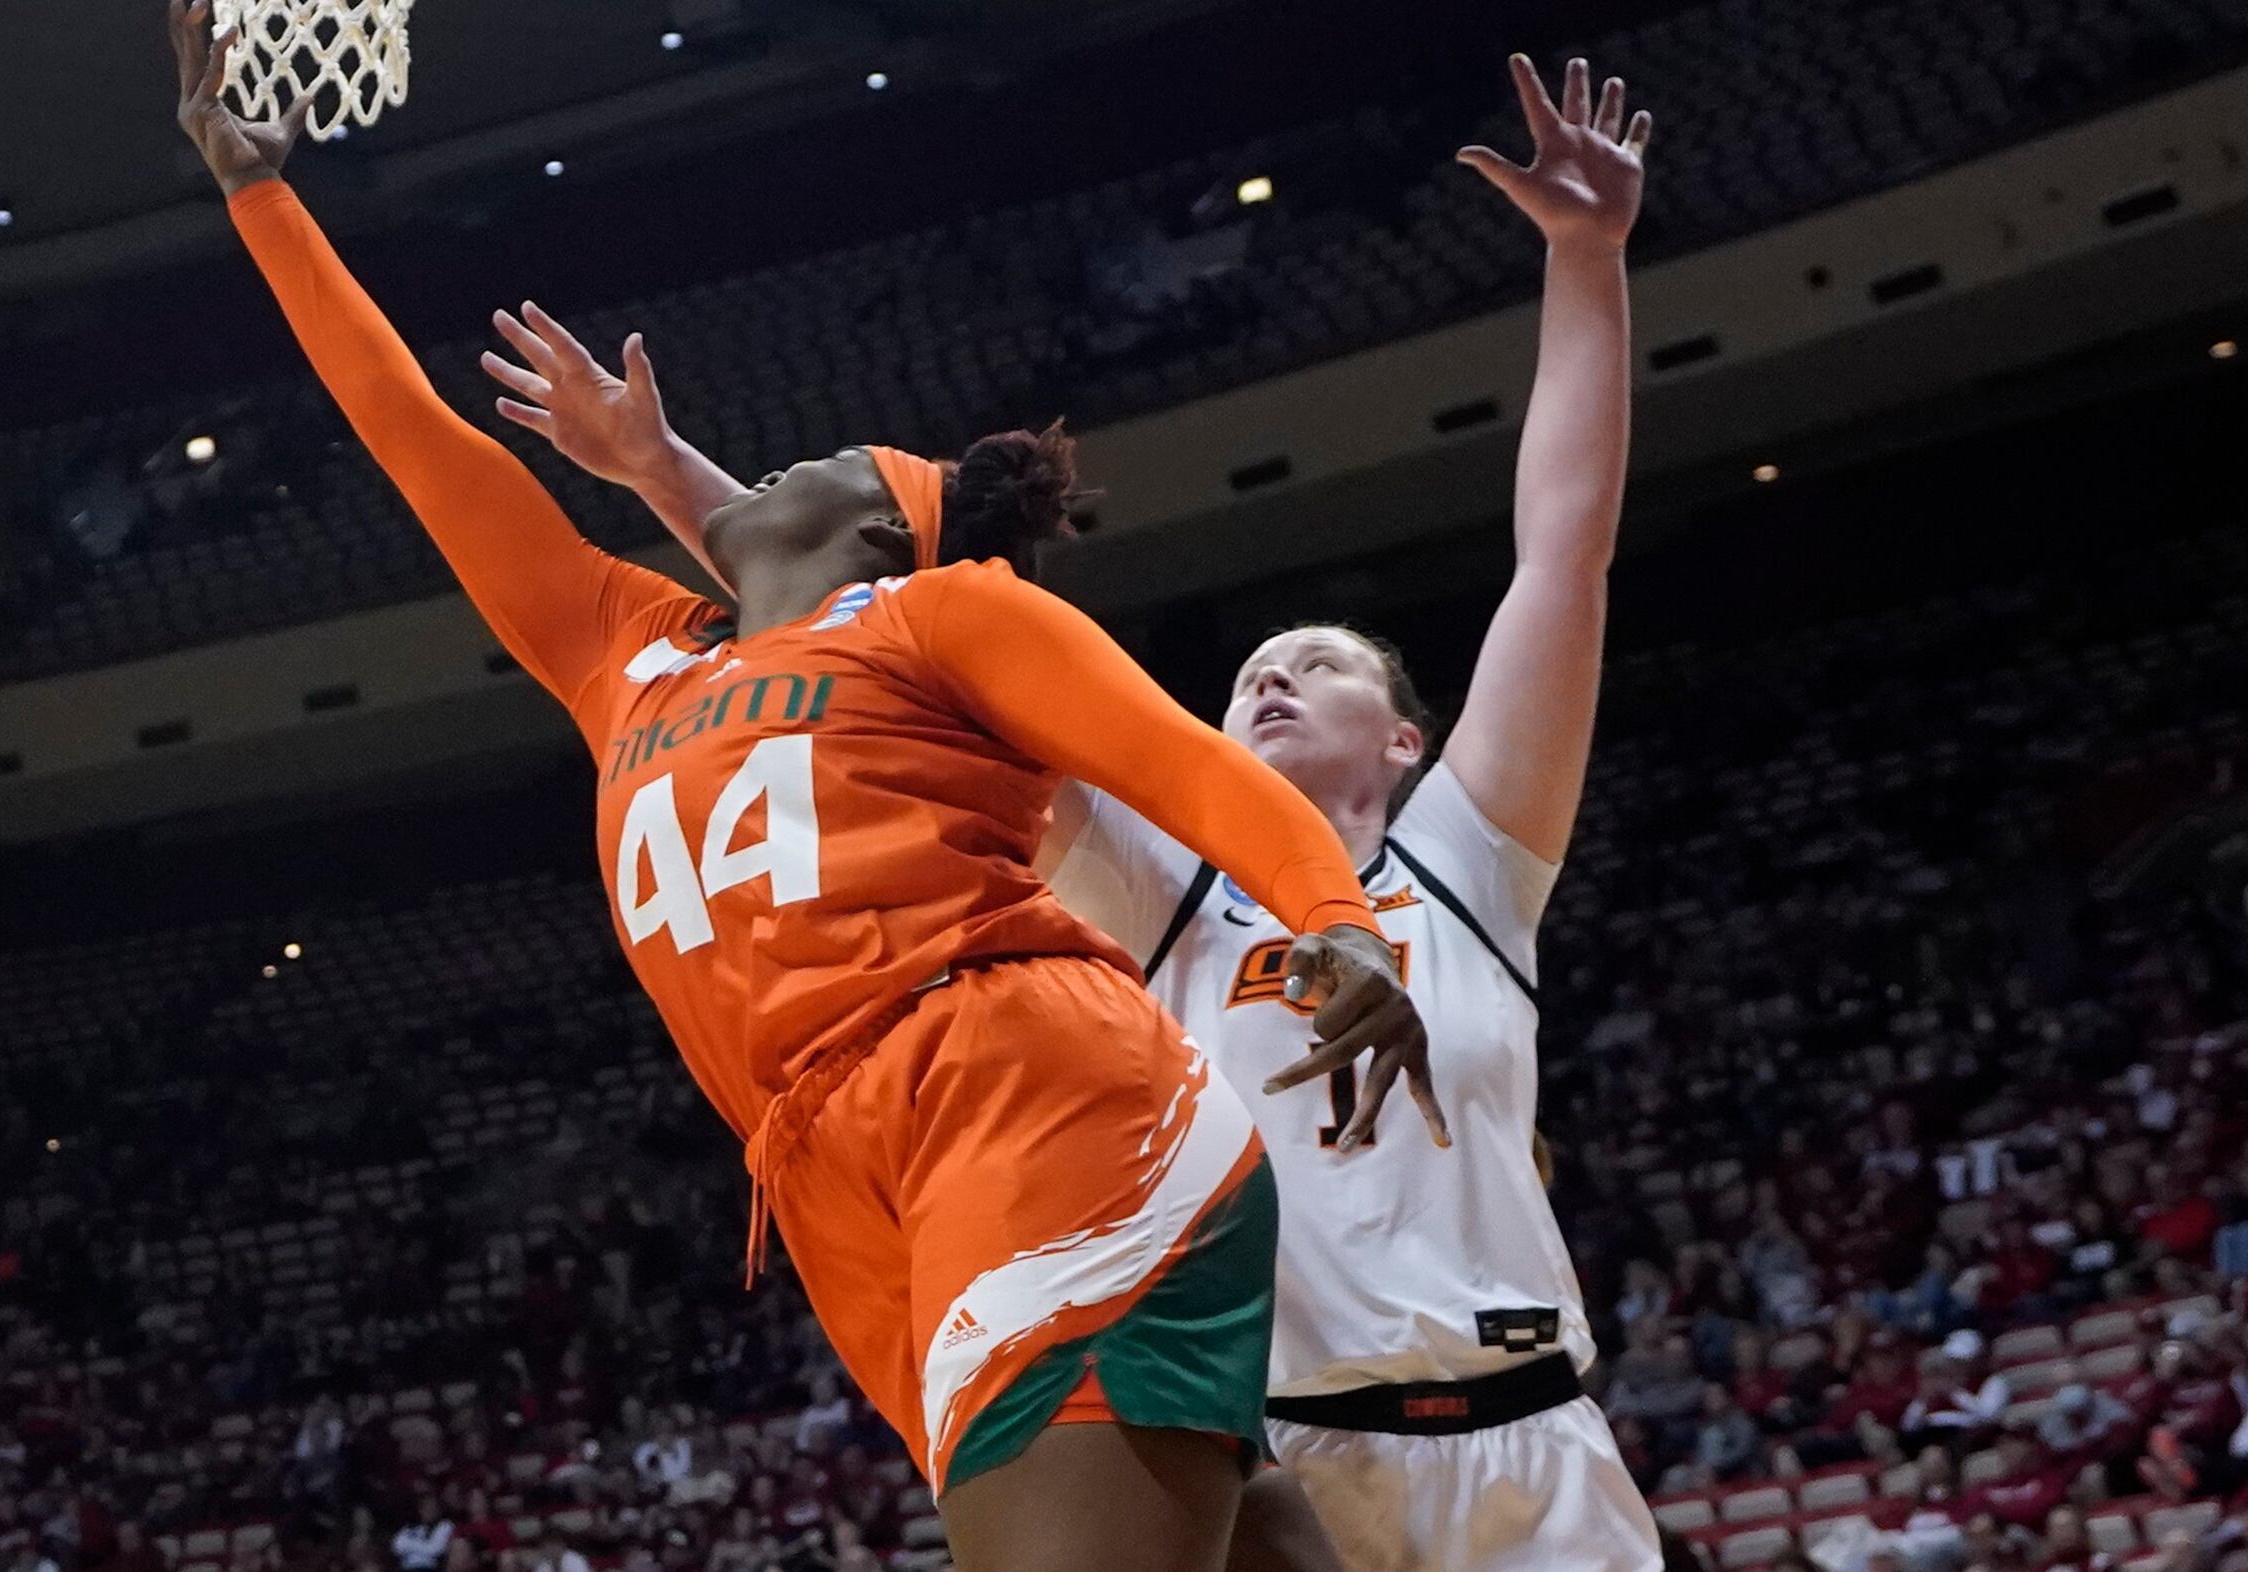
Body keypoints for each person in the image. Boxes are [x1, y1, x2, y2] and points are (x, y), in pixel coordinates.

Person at [164, 7, 1433, 1569]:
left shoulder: (942, 616)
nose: (770, 470)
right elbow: (418, 444)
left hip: (1014, 1089)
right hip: (829, 1175)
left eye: (816, 464)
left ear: (883, 531)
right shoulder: (627, 654)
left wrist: (1338, 922)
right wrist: (261, 198)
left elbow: (1192, 770)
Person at [477, 48, 1661, 1572]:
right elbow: (846, 642)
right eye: (1251, 674)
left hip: (1530, 1450)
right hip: (1275, 1455)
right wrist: (659, 472)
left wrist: (1586, 262)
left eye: (1317, 665)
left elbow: (1563, 552)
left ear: (1407, 739)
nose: (1272, 679)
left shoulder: (1472, 871)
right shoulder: (1167, 894)